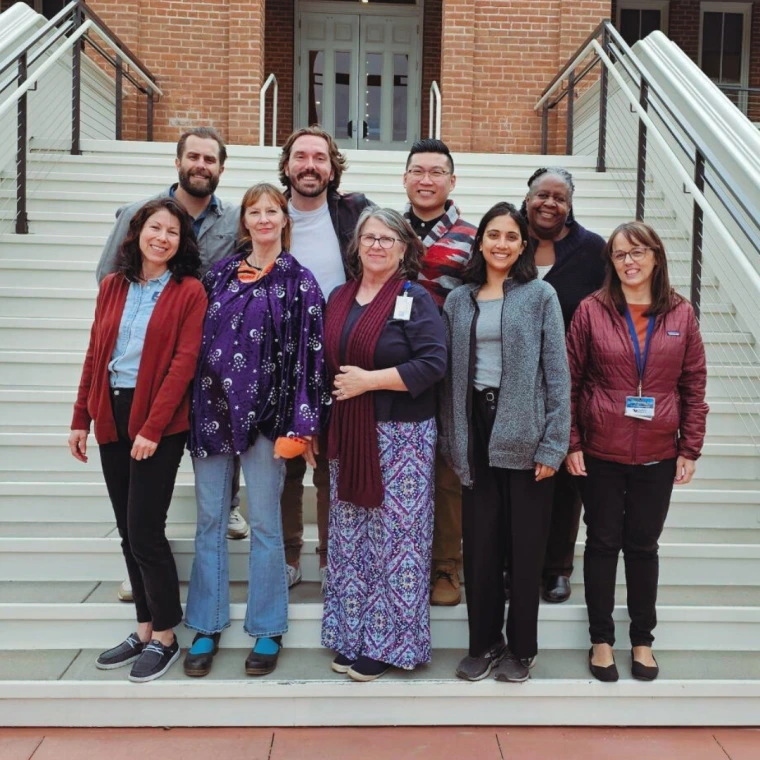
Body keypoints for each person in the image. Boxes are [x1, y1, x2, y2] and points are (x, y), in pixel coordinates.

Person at [95, 127, 247, 603]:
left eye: (211, 159)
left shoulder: (236, 219)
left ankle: (228, 506)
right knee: (136, 504)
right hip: (149, 361)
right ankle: (140, 564)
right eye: (193, 157)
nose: (201, 165)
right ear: (178, 162)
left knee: (219, 438)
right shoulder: (143, 215)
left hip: (207, 354)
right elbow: (109, 276)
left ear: (221, 168)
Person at [183, 183, 328, 678]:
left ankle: (267, 627)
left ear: (285, 219)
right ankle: (206, 622)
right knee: (209, 523)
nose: (264, 218)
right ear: (244, 220)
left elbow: (313, 357)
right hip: (210, 411)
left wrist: (303, 425)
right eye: (255, 211)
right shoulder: (218, 275)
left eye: (273, 210)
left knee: (266, 525)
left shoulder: (300, 282)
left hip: (269, 417)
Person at [69, 197, 206, 682]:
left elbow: (183, 365)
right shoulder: (112, 286)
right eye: (155, 227)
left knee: (146, 529)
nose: (162, 237)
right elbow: (95, 353)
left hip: (159, 421)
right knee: (128, 531)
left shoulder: (190, 291)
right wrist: (80, 416)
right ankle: (144, 627)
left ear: (181, 241)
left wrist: (150, 428)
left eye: (172, 231)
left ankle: (167, 636)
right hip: (111, 410)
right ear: (138, 231)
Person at [565, 221, 708, 682]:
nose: (630, 261)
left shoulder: (681, 314)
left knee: (643, 546)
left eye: (638, 252)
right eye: (621, 254)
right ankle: (601, 640)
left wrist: (690, 447)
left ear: (656, 257)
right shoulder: (592, 310)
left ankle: (642, 640)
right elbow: (568, 381)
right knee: (603, 543)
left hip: (657, 453)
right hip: (601, 450)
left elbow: (693, 385)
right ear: (611, 261)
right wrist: (572, 442)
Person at [440, 202, 570, 684]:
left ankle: (522, 649)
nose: (500, 243)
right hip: (474, 431)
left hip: (526, 433)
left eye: (510, 236)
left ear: (523, 245)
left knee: (526, 548)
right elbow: (451, 378)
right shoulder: (459, 299)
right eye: (492, 235)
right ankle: (484, 642)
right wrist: (454, 441)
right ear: (480, 241)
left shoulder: (540, 295)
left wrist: (553, 445)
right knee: (480, 547)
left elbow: (558, 374)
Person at [321, 207, 447, 682]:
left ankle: (392, 644)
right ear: (356, 246)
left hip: (402, 440)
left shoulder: (416, 299)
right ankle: (354, 634)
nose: (376, 245)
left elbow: (433, 364)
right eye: (369, 237)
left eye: (387, 239)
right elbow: (325, 367)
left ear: (403, 248)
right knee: (352, 540)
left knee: (398, 544)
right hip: (349, 433)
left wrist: (369, 381)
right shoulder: (339, 297)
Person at [278, 126, 373, 590]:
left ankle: (331, 557)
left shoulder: (354, 212)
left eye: (320, 157)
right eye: (301, 157)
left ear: (332, 167)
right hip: (279, 358)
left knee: (329, 462)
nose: (310, 165)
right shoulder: (269, 213)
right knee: (286, 461)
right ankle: (288, 555)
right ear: (287, 165)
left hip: (337, 354)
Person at [519, 167, 606, 605]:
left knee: (565, 477)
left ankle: (557, 567)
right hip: (511, 382)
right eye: (542, 195)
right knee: (517, 476)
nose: (550, 204)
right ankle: (515, 563)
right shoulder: (508, 238)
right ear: (528, 196)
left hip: (572, 382)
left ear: (570, 204)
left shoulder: (592, 251)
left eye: (560, 197)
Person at [402, 138, 476, 607]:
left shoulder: (472, 236)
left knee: (449, 470)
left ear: (452, 181)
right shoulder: (384, 228)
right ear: (405, 177)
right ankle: (403, 559)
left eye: (436, 172)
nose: (425, 180)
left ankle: (447, 566)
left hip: (452, 370)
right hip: (396, 368)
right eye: (417, 171)